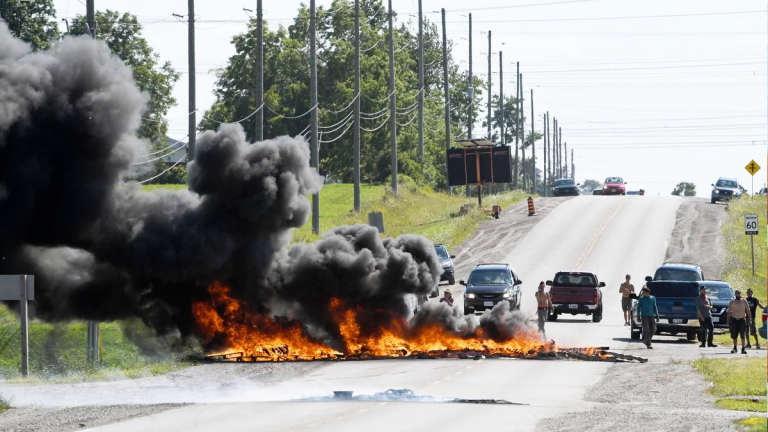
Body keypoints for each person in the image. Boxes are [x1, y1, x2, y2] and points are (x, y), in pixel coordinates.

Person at [727, 290, 752, 354]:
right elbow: (729, 312)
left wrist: (749, 320)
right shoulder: (732, 302)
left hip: (742, 320)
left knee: (743, 335)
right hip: (734, 320)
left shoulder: (744, 301)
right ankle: (735, 348)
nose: (738, 295)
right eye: (736, 294)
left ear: (740, 294)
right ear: (735, 294)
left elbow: (748, 311)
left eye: (739, 294)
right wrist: (728, 321)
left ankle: (743, 348)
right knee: (734, 335)